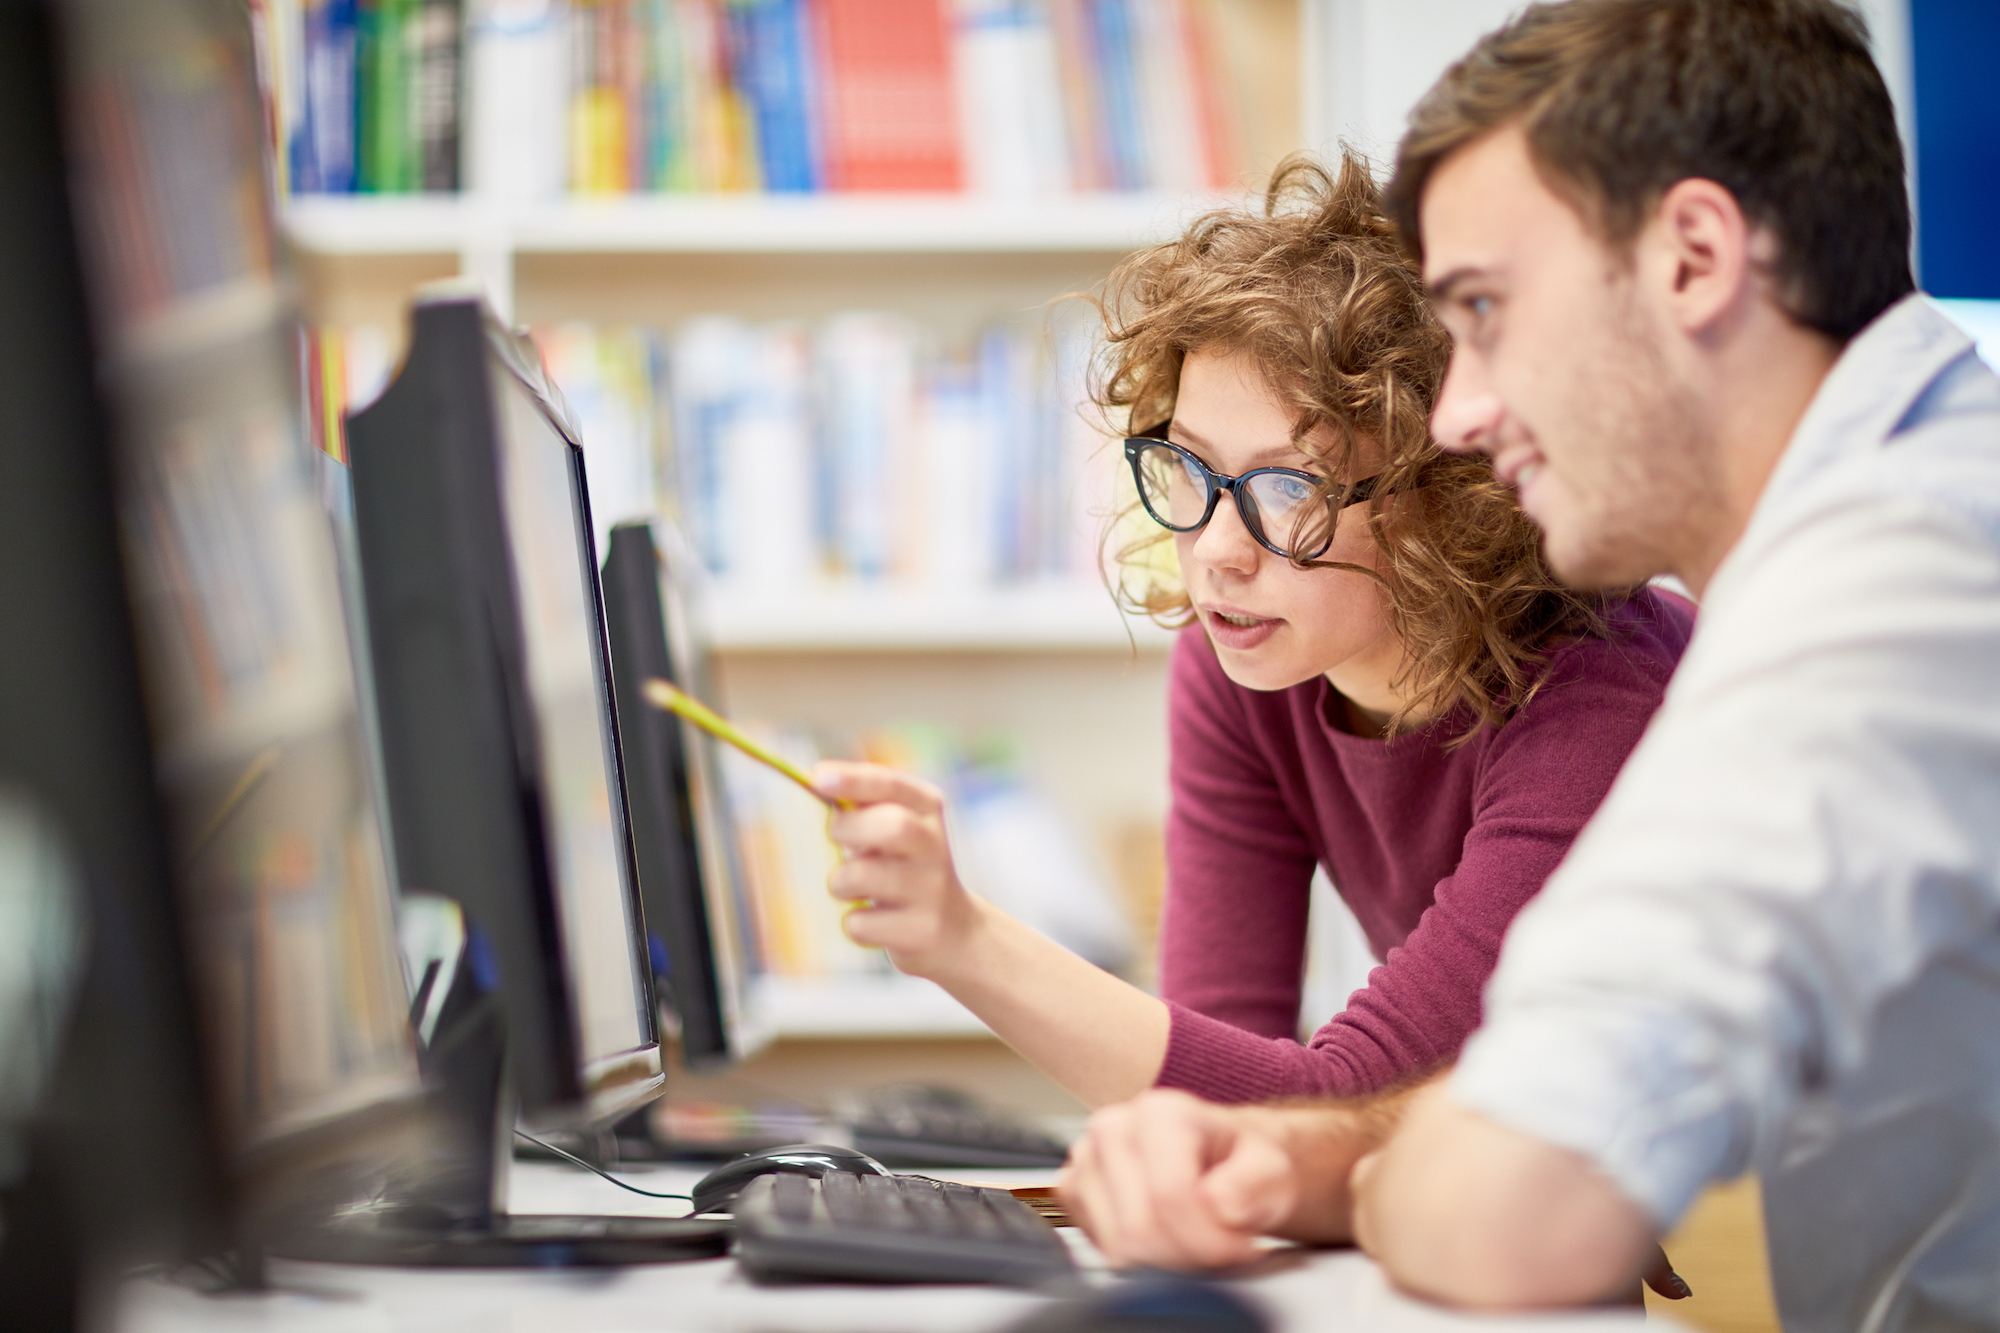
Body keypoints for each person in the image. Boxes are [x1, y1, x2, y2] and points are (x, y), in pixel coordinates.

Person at [1059, 1, 2000, 1327]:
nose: (1457, 414)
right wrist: (1345, 1145)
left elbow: (1521, 1205)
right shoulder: (1917, 515)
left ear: (1692, 259)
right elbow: (1542, 1105)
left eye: (1488, 312)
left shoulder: (1887, 592)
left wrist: (1405, 1160)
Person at [809, 152, 1691, 1112]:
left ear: (1452, 501)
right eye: (1190, 469)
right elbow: (1222, 1075)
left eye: (1287, 487)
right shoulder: (1247, 656)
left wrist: (968, 942)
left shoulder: (1597, 701)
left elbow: (1332, 1100)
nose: (1219, 551)